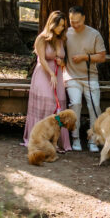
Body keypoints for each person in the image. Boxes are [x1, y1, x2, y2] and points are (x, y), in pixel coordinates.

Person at [23, 10, 72, 153]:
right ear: (52, 24)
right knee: (48, 101)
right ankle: (39, 137)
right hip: (44, 74)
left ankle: (55, 140)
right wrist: (51, 73)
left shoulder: (61, 39)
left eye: (63, 26)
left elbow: (64, 61)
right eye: (59, 25)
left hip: (58, 75)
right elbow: (41, 60)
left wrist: (61, 63)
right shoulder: (42, 38)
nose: (61, 28)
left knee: (58, 104)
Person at [64, 4, 106, 152]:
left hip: (90, 77)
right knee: (75, 104)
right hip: (71, 76)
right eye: (71, 21)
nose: (74, 25)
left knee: (94, 106)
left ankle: (93, 139)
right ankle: (75, 138)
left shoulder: (94, 34)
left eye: (78, 22)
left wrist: (85, 57)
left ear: (84, 19)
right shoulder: (66, 34)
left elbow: (102, 57)